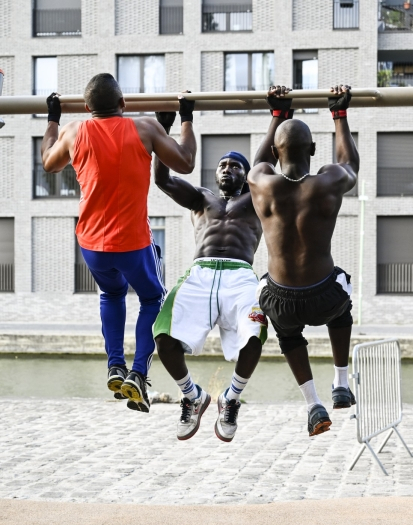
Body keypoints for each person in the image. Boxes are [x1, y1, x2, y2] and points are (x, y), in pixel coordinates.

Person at [41, 73, 197, 413]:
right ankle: (138, 373)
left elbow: (48, 162)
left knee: (112, 294)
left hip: (92, 243)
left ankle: (115, 365)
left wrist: (52, 118)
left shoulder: (73, 131)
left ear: (85, 107)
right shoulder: (144, 128)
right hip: (132, 242)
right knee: (153, 298)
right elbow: (186, 161)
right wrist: (185, 118)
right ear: (123, 103)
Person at [152, 109, 274, 443]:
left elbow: (269, 159)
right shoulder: (201, 198)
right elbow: (162, 179)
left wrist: (278, 115)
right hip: (200, 273)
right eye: (223, 164)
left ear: (246, 174)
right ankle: (192, 395)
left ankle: (230, 397)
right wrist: (164, 128)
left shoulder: (256, 199)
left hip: (240, 276)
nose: (228, 168)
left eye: (235, 165)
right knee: (162, 335)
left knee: (255, 335)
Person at [248, 84, 359, 437]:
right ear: (312, 149)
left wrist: (277, 114)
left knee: (287, 333)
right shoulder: (327, 183)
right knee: (343, 304)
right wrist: (339, 113)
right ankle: (340, 382)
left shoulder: (261, 183)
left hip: (281, 301)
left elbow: (257, 162)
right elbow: (350, 164)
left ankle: (313, 406)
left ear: (277, 152)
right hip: (324, 296)